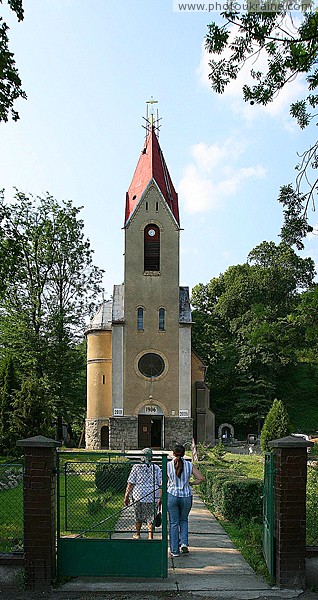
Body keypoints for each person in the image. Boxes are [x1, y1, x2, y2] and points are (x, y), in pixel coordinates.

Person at [167, 443, 204, 557]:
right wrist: (191, 483)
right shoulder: (189, 465)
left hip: (172, 495)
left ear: (173, 453)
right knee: (184, 520)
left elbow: (163, 482)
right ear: (184, 453)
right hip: (186, 496)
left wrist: (160, 498)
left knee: (173, 523)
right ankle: (184, 543)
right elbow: (201, 478)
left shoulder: (168, 465)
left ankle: (174, 551)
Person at [124, 447, 162, 540]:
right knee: (151, 517)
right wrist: (160, 497)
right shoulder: (156, 467)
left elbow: (131, 483)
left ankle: (137, 534)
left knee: (138, 515)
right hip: (153, 495)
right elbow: (161, 483)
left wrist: (126, 496)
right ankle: (150, 536)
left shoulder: (136, 467)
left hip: (139, 495)